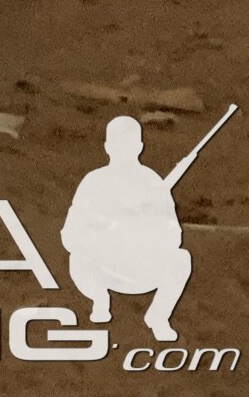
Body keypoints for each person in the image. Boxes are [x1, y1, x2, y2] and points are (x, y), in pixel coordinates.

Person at [64, 114, 197, 342]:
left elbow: (173, 236)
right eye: (118, 143)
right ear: (107, 146)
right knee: (77, 258)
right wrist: (104, 230)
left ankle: (158, 317)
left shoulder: (152, 182)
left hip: (141, 268)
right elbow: (70, 234)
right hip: (102, 268)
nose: (123, 149)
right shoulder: (93, 181)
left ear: (139, 147)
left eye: (128, 143)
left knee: (181, 259)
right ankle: (99, 300)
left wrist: (145, 225)